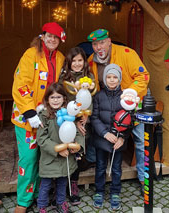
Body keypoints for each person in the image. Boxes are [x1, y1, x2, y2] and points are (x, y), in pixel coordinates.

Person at [87, 29, 150, 196]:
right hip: (106, 105)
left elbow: (143, 76)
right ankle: (98, 170)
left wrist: (129, 94)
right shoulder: (90, 61)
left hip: (130, 106)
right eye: (95, 44)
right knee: (98, 135)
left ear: (109, 41)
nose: (98, 47)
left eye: (101, 42)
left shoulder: (127, 53)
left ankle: (144, 179)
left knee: (140, 141)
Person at [11, 22, 66, 212]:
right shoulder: (30, 54)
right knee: (28, 158)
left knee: (44, 157)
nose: (52, 39)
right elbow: (20, 84)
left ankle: (37, 195)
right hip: (27, 118)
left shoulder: (60, 58)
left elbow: (62, 86)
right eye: (48, 36)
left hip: (48, 117)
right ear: (42, 36)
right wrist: (29, 111)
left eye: (55, 37)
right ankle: (23, 201)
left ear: (59, 40)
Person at [36, 83, 84, 213]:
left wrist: (78, 146)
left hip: (66, 157)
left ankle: (60, 203)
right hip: (50, 158)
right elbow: (42, 138)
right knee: (45, 184)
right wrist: (57, 149)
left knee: (63, 182)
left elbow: (78, 133)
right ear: (47, 100)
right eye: (52, 97)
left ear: (64, 99)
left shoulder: (70, 114)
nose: (55, 100)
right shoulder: (44, 116)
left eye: (58, 97)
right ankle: (41, 205)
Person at [91, 64, 131, 210]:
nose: (112, 80)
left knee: (116, 168)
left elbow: (129, 120)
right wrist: (105, 133)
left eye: (115, 77)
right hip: (102, 138)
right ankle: (99, 191)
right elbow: (94, 118)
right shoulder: (98, 96)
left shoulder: (125, 97)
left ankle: (115, 192)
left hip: (118, 141)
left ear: (119, 79)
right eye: (109, 77)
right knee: (100, 167)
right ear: (104, 78)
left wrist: (122, 138)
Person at [58, 47, 95, 205]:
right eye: (74, 61)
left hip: (82, 120)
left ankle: (73, 184)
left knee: (77, 151)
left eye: (80, 60)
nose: (77, 64)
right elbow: (61, 101)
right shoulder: (64, 78)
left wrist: (85, 117)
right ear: (69, 62)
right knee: (64, 151)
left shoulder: (89, 77)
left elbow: (89, 99)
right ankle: (60, 186)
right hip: (67, 120)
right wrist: (73, 122)